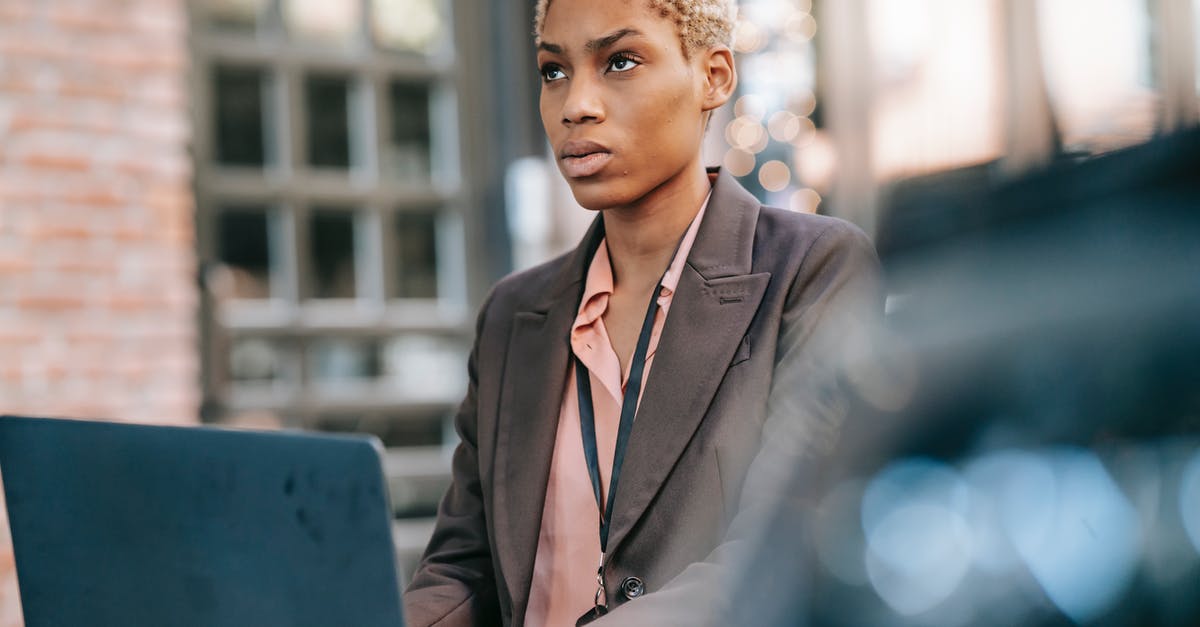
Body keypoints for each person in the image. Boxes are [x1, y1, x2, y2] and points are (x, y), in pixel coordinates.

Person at [404, 0, 883, 625]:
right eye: (553, 71)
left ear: (713, 78)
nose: (576, 103)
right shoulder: (512, 315)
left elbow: (783, 546)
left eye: (620, 62)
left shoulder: (812, 269)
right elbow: (462, 569)